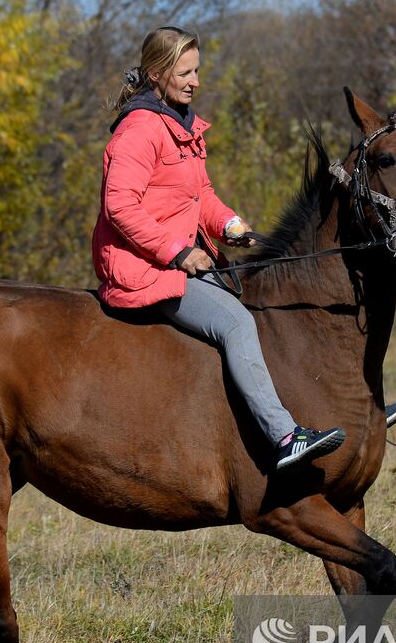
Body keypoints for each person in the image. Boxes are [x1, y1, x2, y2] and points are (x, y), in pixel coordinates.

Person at [91, 25, 346, 470]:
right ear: (156, 74)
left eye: (197, 71)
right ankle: (284, 437)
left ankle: (322, 418)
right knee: (236, 324)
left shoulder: (183, 127)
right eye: (185, 72)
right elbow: (120, 207)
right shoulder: (139, 131)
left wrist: (227, 223)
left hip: (180, 262)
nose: (195, 81)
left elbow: (200, 195)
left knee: (266, 305)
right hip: (145, 269)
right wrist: (178, 252)